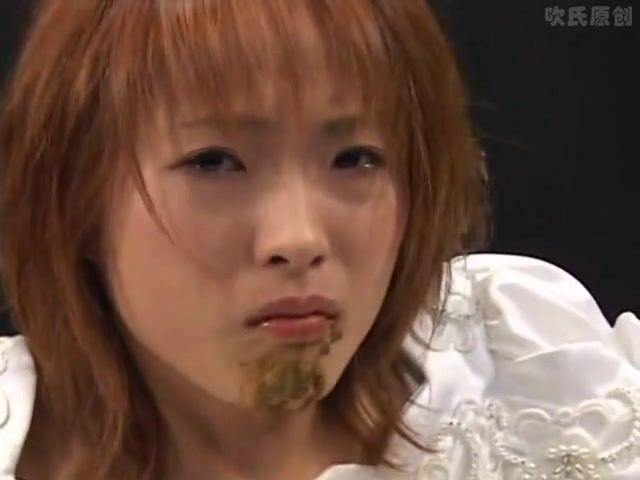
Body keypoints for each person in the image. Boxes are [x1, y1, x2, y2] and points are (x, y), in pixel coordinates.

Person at [0, 1, 637, 479]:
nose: (299, 239)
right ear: (75, 200)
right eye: (214, 162)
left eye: (356, 157)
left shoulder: (524, 360)